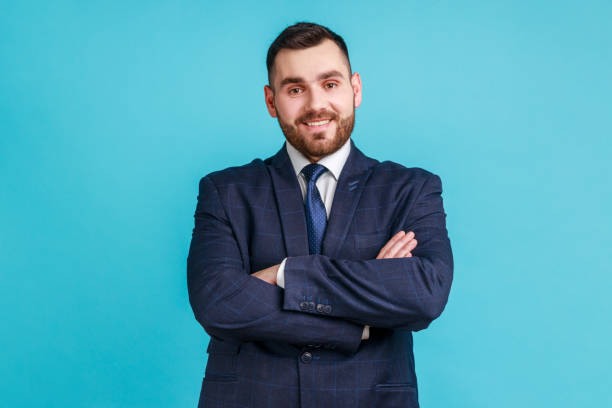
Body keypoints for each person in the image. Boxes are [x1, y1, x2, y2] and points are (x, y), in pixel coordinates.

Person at [187, 22, 453, 408]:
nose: (315, 104)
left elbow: (424, 294)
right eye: (295, 89)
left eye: (330, 84)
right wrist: (357, 323)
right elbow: (218, 303)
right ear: (270, 100)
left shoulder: (411, 189)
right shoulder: (225, 191)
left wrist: (285, 274)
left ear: (355, 89)